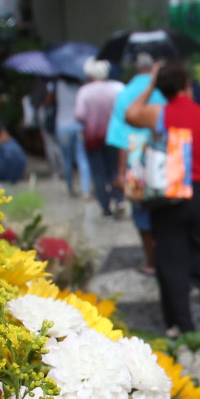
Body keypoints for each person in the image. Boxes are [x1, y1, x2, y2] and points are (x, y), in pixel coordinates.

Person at [126, 60, 200, 334]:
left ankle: (181, 323)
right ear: (187, 86)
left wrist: (151, 83)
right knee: (198, 251)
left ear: (162, 90)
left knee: (169, 258)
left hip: (171, 194)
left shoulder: (159, 113)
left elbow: (130, 114)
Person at [109, 52, 164, 273]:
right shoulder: (163, 91)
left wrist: (120, 173)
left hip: (136, 166)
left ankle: (151, 261)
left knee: (141, 213)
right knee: (163, 211)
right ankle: (165, 255)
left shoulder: (124, 95)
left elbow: (121, 139)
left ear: (134, 67)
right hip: (163, 164)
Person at [74, 58, 123, 217]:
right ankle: (119, 199)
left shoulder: (85, 91)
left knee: (99, 173)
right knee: (115, 169)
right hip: (114, 136)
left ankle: (105, 207)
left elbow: (79, 115)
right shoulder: (117, 88)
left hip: (93, 137)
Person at [52, 67, 90, 198]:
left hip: (62, 125)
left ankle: (70, 186)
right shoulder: (81, 86)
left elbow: (49, 101)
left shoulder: (56, 85)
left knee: (66, 159)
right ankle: (86, 191)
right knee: (82, 159)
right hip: (79, 125)